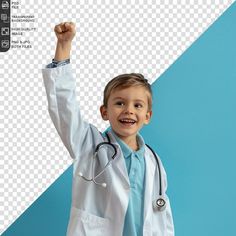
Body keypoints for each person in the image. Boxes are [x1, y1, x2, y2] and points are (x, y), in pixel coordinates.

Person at [42, 22, 174, 236]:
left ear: (147, 116)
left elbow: (162, 216)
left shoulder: (154, 162)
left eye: (137, 105)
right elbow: (65, 109)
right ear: (105, 112)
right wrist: (63, 49)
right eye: (120, 103)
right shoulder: (89, 145)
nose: (129, 110)